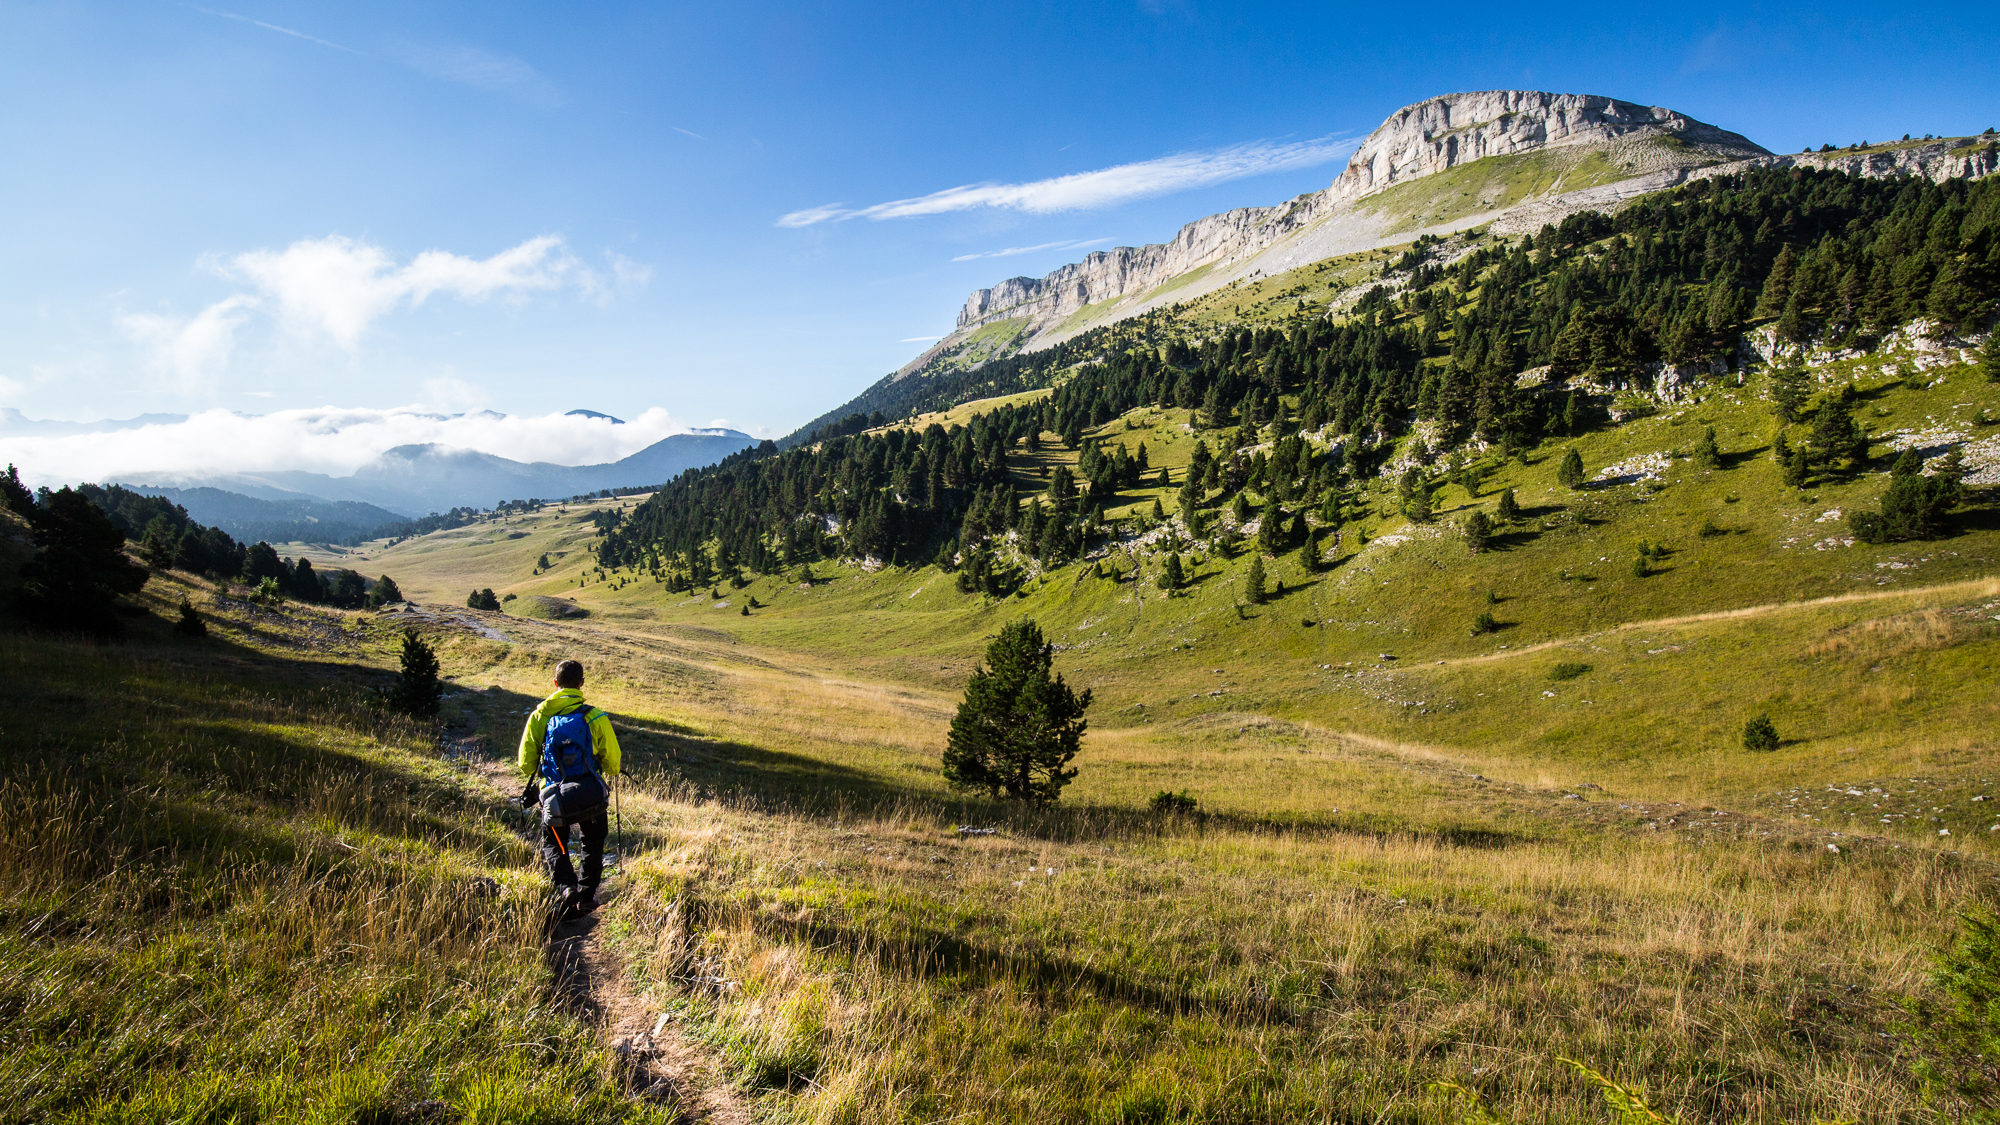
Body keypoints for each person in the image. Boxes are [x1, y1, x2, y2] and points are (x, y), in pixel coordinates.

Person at [517, 659, 621, 921]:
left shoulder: (540, 715)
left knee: (555, 843)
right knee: (593, 841)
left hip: (554, 796)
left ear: (555, 683)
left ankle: (566, 889)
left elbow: (525, 764)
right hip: (589, 793)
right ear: (581, 684)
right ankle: (586, 896)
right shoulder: (594, 716)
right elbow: (613, 764)